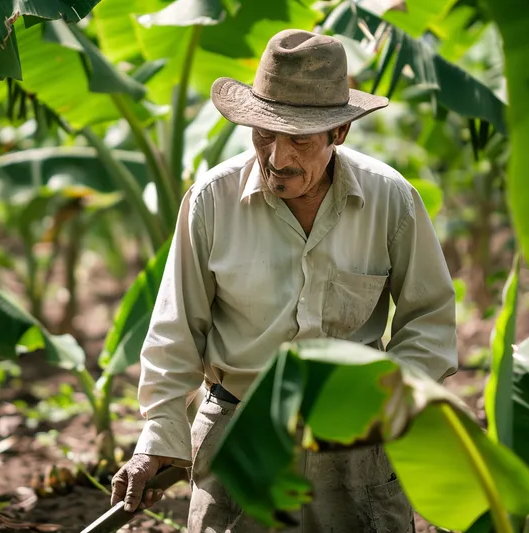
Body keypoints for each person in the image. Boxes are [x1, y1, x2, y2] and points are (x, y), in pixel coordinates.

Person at [109, 29, 458, 532]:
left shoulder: (390, 200)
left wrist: (381, 407)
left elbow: (429, 320)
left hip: (356, 442)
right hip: (238, 437)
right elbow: (175, 332)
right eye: (264, 135)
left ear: (338, 134)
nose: (277, 159)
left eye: (298, 139)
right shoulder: (212, 201)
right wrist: (157, 440)